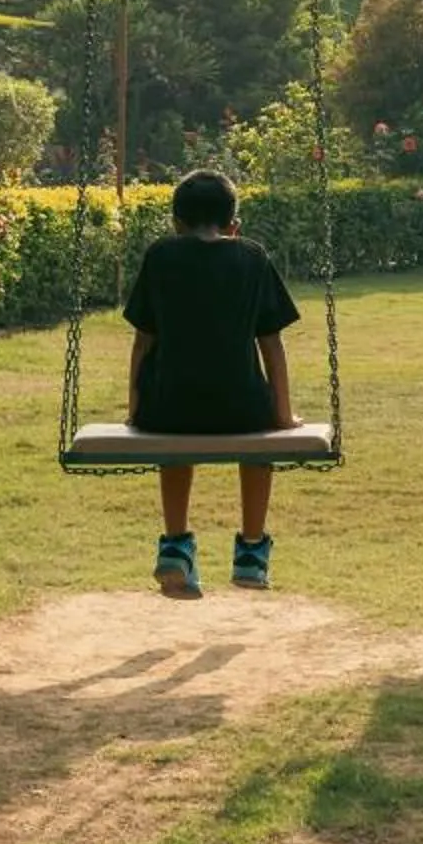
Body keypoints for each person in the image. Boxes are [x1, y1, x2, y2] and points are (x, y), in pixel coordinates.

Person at [123, 167, 299, 599]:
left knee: (173, 433)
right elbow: (271, 346)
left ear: (175, 223)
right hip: (242, 408)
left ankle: (176, 545)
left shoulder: (161, 255)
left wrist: (135, 410)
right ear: (234, 225)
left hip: (166, 408)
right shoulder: (252, 257)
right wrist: (282, 416)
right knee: (259, 442)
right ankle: (252, 553)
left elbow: (143, 343)